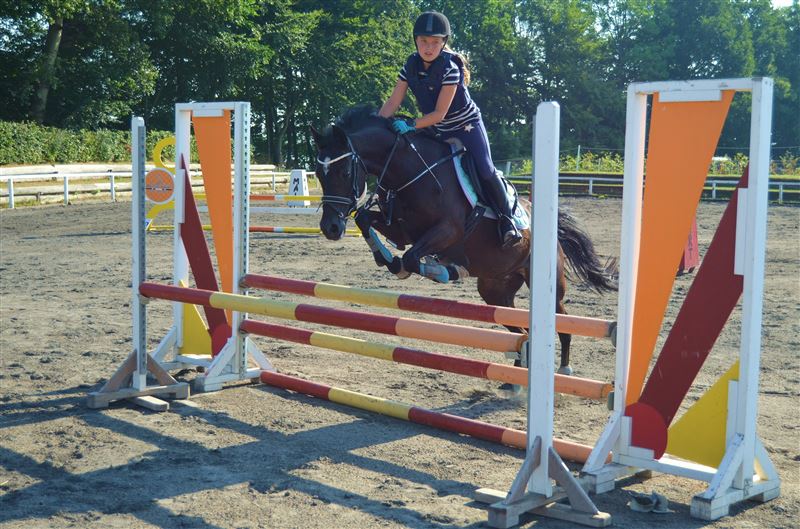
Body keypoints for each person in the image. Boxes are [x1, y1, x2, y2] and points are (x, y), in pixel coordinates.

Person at [378, 10, 522, 248]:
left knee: (485, 169)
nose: (428, 47)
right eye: (424, 41)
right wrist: (378, 125)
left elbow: (439, 114)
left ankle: (508, 221)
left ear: (443, 42)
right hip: (437, 129)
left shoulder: (450, 68)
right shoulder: (409, 66)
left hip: (466, 126)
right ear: (415, 40)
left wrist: (410, 124)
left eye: (435, 42)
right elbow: (393, 102)